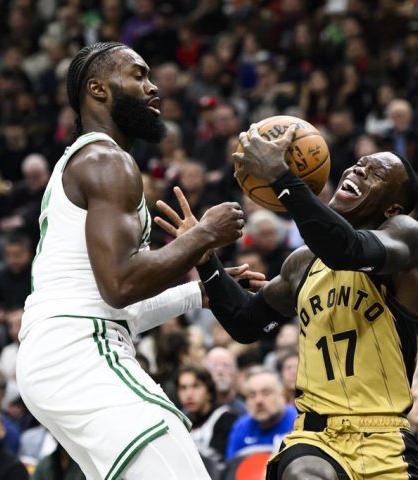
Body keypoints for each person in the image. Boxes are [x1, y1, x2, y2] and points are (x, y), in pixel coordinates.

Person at [15, 42, 247, 480]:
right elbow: (120, 285)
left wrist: (196, 294)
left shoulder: (91, 161)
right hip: (79, 351)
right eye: (138, 76)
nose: (153, 86)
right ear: (98, 90)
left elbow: (115, 306)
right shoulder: (106, 161)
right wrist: (204, 235)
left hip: (65, 349)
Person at [157, 140, 418, 478]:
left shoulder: (406, 237)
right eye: (359, 163)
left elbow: (347, 250)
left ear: (391, 209)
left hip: (385, 437)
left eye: (375, 174)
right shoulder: (301, 264)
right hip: (316, 437)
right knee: (303, 472)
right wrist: (205, 259)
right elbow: (246, 323)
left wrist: (282, 178)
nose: (359, 169)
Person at [225, 367, 298, 460]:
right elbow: (232, 469)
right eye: (252, 395)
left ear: (282, 395)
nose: (258, 401)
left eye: (266, 393)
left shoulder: (300, 423)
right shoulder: (240, 427)